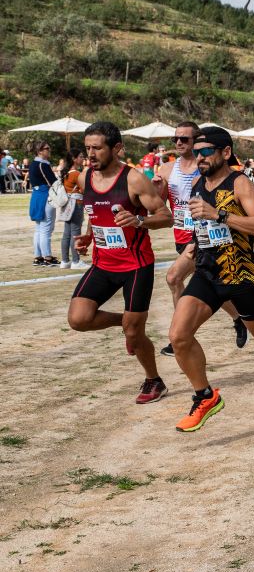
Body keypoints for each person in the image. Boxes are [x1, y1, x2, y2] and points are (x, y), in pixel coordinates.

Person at [166, 127, 254, 432]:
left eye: (205, 152)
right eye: (195, 151)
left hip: (240, 274)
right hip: (207, 272)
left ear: (225, 152)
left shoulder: (240, 183)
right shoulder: (198, 185)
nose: (198, 157)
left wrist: (220, 215)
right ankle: (205, 396)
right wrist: (193, 243)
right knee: (178, 335)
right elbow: (202, 226)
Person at [68, 121, 173, 403]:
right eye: (87, 148)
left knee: (136, 332)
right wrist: (89, 237)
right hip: (103, 263)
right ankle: (126, 324)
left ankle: (154, 380)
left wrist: (139, 220)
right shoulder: (84, 178)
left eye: (97, 148)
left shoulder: (134, 179)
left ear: (116, 148)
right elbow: (94, 213)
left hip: (136, 266)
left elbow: (166, 216)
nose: (90, 154)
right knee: (78, 319)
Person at [156, 121, 246, 357]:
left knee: (174, 278)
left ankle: (180, 336)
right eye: (175, 138)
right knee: (212, 286)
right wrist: (156, 189)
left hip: (203, 237)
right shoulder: (166, 169)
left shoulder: (207, 166)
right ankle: (239, 317)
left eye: (185, 139)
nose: (178, 143)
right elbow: (159, 206)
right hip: (181, 233)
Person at [28, 141, 58, 266]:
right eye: (47, 148)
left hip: (36, 196)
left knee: (39, 229)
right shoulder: (42, 165)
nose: (49, 150)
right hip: (45, 195)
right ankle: (47, 257)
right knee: (46, 229)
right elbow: (53, 182)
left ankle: (38, 256)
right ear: (40, 151)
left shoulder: (34, 164)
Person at [58, 150, 88, 268]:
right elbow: (85, 189)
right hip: (76, 203)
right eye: (80, 157)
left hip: (67, 204)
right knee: (75, 233)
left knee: (67, 233)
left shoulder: (66, 173)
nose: (83, 159)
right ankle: (76, 261)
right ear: (74, 159)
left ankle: (65, 261)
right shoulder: (76, 174)